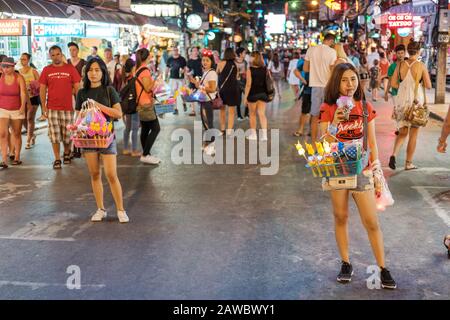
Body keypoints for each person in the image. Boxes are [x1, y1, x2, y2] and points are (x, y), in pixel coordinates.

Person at [319, 62, 397, 290]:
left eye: (353, 79)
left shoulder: (364, 107)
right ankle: (346, 263)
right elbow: (323, 144)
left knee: (371, 221)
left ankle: (383, 268)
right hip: (336, 169)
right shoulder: (328, 108)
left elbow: (372, 142)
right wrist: (335, 123)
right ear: (336, 83)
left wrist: (376, 169)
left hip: (362, 170)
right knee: (341, 216)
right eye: (344, 80)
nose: (350, 84)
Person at [75, 58, 129, 223]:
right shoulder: (82, 92)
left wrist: (97, 105)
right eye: (90, 70)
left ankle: (121, 210)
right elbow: (78, 116)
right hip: (88, 139)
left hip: (107, 138)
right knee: (94, 173)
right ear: (86, 73)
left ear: (103, 72)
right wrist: (83, 115)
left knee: (111, 174)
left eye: (97, 70)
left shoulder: (109, 90)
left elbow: (118, 113)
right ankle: (101, 209)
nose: (93, 73)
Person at [388, 41, 432, 171]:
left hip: (402, 102)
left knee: (402, 132)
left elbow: (394, 84)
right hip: (416, 102)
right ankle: (408, 163)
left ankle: (394, 154)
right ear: (418, 52)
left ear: (408, 51)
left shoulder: (400, 64)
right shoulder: (421, 66)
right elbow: (429, 85)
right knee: (413, 134)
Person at [39, 45, 81, 169]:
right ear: (50, 56)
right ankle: (57, 158)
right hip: (52, 108)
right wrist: (44, 107)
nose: (56, 57)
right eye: (53, 55)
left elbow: (78, 87)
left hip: (68, 107)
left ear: (61, 54)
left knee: (67, 135)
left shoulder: (70, 68)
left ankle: (67, 152)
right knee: (54, 135)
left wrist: (78, 105)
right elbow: (42, 89)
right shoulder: (46, 70)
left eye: (58, 54)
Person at [304, 33, 337, 143]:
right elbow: (333, 71)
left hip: (315, 87)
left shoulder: (311, 50)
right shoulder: (332, 52)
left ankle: (314, 143)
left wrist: (315, 70)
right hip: (328, 88)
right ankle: (327, 143)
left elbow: (306, 69)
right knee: (330, 117)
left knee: (315, 116)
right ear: (331, 41)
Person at [189, 50, 218, 156]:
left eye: (207, 60)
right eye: (203, 60)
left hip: (207, 102)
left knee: (208, 124)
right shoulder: (206, 72)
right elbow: (203, 87)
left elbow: (212, 88)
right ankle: (207, 144)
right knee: (206, 124)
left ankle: (212, 147)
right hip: (203, 101)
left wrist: (200, 86)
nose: (204, 62)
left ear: (211, 62)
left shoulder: (212, 73)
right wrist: (196, 83)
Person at [0, 57, 27, 168]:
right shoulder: (0, 78)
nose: (5, 69)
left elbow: (23, 93)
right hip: (3, 109)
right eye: (3, 66)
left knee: (16, 133)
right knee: (2, 134)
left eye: (8, 67)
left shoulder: (19, 78)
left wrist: (22, 107)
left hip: (17, 109)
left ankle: (17, 157)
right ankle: (4, 159)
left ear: (13, 66)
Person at [135, 48, 160, 165]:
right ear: (147, 57)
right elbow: (147, 88)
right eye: (150, 56)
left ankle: (146, 154)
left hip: (141, 103)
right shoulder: (145, 71)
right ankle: (145, 154)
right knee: (156, 128)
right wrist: (155, 80)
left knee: (145, 129)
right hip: (146, 104)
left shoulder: (138, 69)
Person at [243, 51, 269, 141]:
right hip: (263, 94)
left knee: (252, 115)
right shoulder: (265, 69)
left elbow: (248, 84)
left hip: (253, 94)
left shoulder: (250, 69)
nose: (250, 58)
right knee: (262, 114)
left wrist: (245, 97)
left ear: (255, 58)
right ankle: (264, 135)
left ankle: (253, 135)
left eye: (251, 56)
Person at [19, 53, 40, 149]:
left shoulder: (34, 71)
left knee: (30, 118)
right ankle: (32, 134)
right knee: (23, 119)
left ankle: (28, 140)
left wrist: (32, 86)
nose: (22, 61)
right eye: (21, 59)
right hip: (23, 98)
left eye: (24, 59)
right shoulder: (18, 72)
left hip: (33, 97)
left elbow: (40, 84)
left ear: (28, 60)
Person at [217, 48, 240, 135]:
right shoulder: (236, 65)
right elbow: (237, 77)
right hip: (233, 89)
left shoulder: (220, 63)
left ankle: (222, 130)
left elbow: (217, 74)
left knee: (222, 110)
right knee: (231, 112)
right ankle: (230, 131)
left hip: (223, 90)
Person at [120, 58, 140, 157]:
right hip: (133, 107)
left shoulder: (123, 77)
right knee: (135, 128)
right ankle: (134, 150)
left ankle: (125, 149)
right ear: (133, 67)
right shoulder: (133, 79)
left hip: (126, 107)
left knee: (127, 128)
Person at [293, 49, 311, 137]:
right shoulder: (304, 62)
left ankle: (312, 129)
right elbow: (296, 71)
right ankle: (300, 130)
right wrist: (303, 80)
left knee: (315, 112)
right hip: (307, 90)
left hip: (318, 90)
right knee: (305, 111)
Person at [166, 47, 187, 115]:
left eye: (176, 50)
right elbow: (167, 68)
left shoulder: (182, 59)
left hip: (181, 79)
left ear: (178, 51)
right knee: (173, 94)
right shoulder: (169, 59)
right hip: (173, 78)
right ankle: (175, 108)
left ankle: (184, 103)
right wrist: (166, 77)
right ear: (172, 51)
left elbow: (185, 68)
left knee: (182, 93)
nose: (175, 51)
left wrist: (184, 71)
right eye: (173, 50)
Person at [185, 47, 202, 117]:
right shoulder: (189, 61)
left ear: (198, 52)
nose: (195, 52)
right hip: (192, 79)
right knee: (191, 93)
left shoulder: (201, 60)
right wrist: (187, 75)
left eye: (196, 51)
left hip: (200, 79)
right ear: (191, 52)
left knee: (201, 93)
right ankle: (193, 110)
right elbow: (187, 70)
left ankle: (201, 109)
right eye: (193, 51)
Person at [235, 47, 248, 121]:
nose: (245, 54)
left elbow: (246, 71)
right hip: (237, 82)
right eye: (244, 53)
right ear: (240, 54)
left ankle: (246, 114)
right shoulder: (234, 62)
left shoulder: (245, 62)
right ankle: (239, 115)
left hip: (244, 81)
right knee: (238, 99)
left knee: (247, 97)